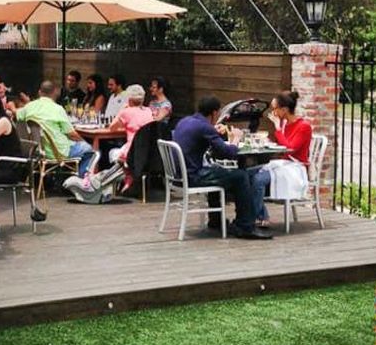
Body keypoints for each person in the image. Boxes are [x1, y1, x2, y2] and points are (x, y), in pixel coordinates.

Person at [171, 95, 272, 240]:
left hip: (179, 176)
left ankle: (216, 220)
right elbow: (228, 153)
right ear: (214, 113)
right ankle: (245, 226)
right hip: (194, 176)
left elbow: (203, 139)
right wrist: (236, 139)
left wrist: (213, 132)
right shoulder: (204, 127)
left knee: (218, 172)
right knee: (240, 176)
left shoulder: (185, 121)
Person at [248, 90, 313, 227]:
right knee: (246, 174)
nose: (273, 112)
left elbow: (290, 148)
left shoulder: (303, 127)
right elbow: (282, 146)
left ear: (284, 109)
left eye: (275, 109)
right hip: (283, 164)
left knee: (258, 180)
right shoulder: (285, 124)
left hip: (295, 168)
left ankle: (257, 218)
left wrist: (277, 129)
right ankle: (260, 215)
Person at [16, 80, 94, 176]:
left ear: (39, 92)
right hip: (58, 152)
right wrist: (84, 140)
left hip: (37, 151)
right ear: (55, 93)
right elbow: (72, 134)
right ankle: (80, 183)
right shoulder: (57, 109)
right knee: (90, 149)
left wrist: (11, 107)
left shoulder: (29, 107)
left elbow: (17, 115)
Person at [108, 85, 154, 165]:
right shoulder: (148, 111)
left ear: (129, 100)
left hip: (132, 151)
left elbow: (112, 128)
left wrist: (122, 110)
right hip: (148, 152)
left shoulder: (126, 112)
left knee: (112, 152)